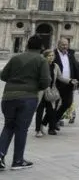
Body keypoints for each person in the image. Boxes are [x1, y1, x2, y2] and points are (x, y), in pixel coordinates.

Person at [0, 34, 51, 170]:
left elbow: (3, 75)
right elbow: (46, 81)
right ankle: (18, 160)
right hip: (27, 98)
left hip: (8, 97)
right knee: (21, 128)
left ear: (27, 45)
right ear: (42, 47)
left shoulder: (15, 58)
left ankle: (0, 156)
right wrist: (34, 86)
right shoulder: (41, 60)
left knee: (8, 126)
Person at [35, 49, 66, 137]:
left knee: (51, 111)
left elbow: (60, 77)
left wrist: (70, 81)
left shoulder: (55, 66)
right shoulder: (40, 66)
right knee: (40, 111)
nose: (51, 57)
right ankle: (38, 130)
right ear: (45, 57)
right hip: (41, 92)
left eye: (52, 55)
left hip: (51, 92)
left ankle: (49, 127)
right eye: (49, 56)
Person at [53, 37, 79, 127]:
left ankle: (55, 119)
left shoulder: (70, 55)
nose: (65, 46)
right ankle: (53, 124)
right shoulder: (53, 54)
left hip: (69, 83)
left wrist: (77, 81)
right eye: (63, 45)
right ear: (58, 45)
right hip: (57, 83)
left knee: (68, 103)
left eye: (66, 45)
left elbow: (75, 67)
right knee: (55, 103)